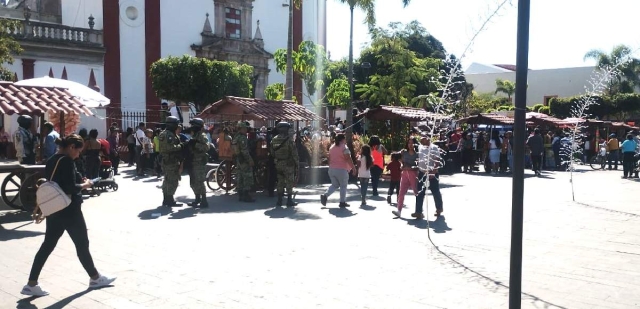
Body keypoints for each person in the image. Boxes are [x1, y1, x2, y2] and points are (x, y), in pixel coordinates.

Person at [22, 134, 115, 297]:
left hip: (55, 208)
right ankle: (95, 278)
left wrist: (79, 179)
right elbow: (70, 187)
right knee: (82, 243)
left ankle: (31, 283)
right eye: (78, 151)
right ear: (71, 147)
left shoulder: (52, 159)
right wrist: (86, 184)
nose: (78, 154)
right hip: (69, 208)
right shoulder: (66, 161)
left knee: (48, 245)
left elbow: (60, 181)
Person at [320, 133, 356, 208]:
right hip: (341, 170)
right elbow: (348, 158)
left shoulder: (332, 147)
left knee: (335, 185)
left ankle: (325, 196)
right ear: (342, 139)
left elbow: (329, 158)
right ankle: (342, 202)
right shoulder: (344, 147)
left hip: (332, 169)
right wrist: (353, 168)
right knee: (343, 186)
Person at [415, 134, 444, 218]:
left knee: (435, 191)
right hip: (421, 173)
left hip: (432, 173)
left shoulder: (434, 148)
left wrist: (433, 172)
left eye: (423, 138)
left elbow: (437, 161)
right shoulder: (420, 147)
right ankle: (418, 211)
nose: (421, 139)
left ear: (427, 138)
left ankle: (439, 208)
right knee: (420, 192)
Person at [271, 122, 299, 207]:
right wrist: (297, 164)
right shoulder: (289, 140)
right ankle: (289, 200)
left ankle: (279, 200)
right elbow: (294, 154)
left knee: (280, 181)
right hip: (288, 164)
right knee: (289, 182)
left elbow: (272, 152)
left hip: (278, 163)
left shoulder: (274, 139)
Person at [158, 116, 184, 207]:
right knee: (173, 181)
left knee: (167, 180)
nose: (177, 126)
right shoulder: (168, 135)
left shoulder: (165, 133)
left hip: (167, 160)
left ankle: (167, 199)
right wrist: (181, 146)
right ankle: (169, 200)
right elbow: (169, 148)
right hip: (170, 161)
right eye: (176, 124)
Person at [392, 136, 420, 218]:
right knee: (401, 193)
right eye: (409, 143)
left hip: (413, 174)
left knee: (416, 192)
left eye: (412, 143)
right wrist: (402, 165)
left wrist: (410, 167)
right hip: (404, 174)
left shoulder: (417, 154)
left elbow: (419, 166)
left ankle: (419, 210)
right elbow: (399, 160)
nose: (410, 145)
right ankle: (399, 210)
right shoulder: (404, 152)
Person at [186, 118, 210, 208]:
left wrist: (195, 144)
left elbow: (207, 147)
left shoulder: (202, 135)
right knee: (193, 182)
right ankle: (197, 198)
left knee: (199, 181)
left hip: (199, 162)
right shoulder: (194, 135)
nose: (191, 127)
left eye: (193, 125)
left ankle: (204, 200)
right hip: (192, 161)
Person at [232, 121, 255, 202]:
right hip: (244, 160)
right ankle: (246, 195)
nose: (246, 130)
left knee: (240, 176)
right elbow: (244, 151)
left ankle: (241, 195)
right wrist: (250, 160)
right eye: (244, 128)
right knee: (247, 176)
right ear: (241, 128)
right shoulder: (242, 138)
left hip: (238, 159)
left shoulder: (236, 136)